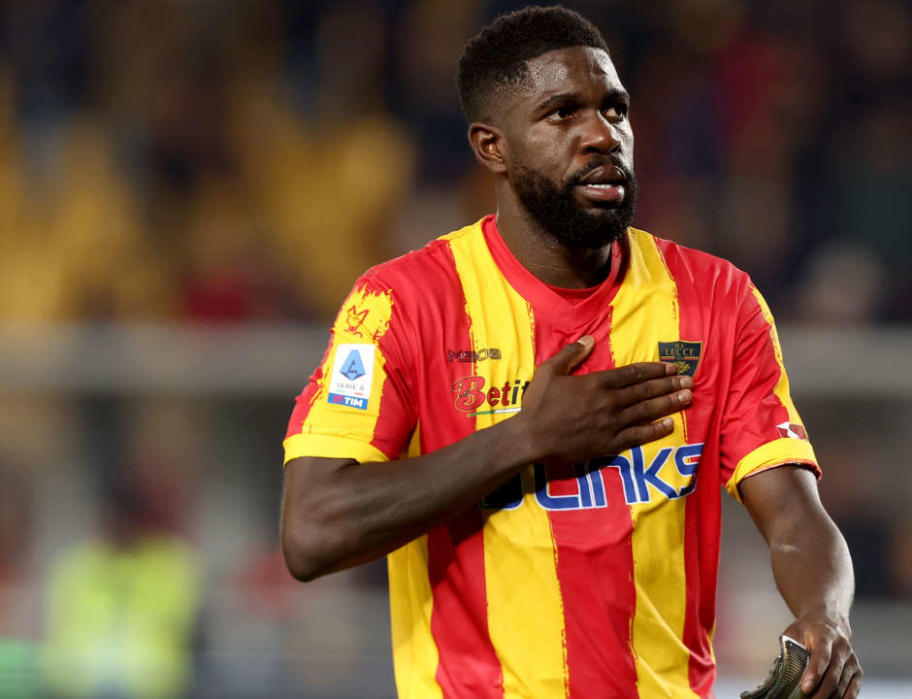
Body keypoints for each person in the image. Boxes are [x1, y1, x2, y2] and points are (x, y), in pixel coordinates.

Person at [280, 7, 860, 698]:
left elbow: (796, 514)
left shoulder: (715, 301)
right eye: (562, 114)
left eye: (615, 109)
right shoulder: (404, 304)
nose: (601, 135)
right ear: (493, 147)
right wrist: (525, 438)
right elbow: (311, 531)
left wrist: (823, 615)